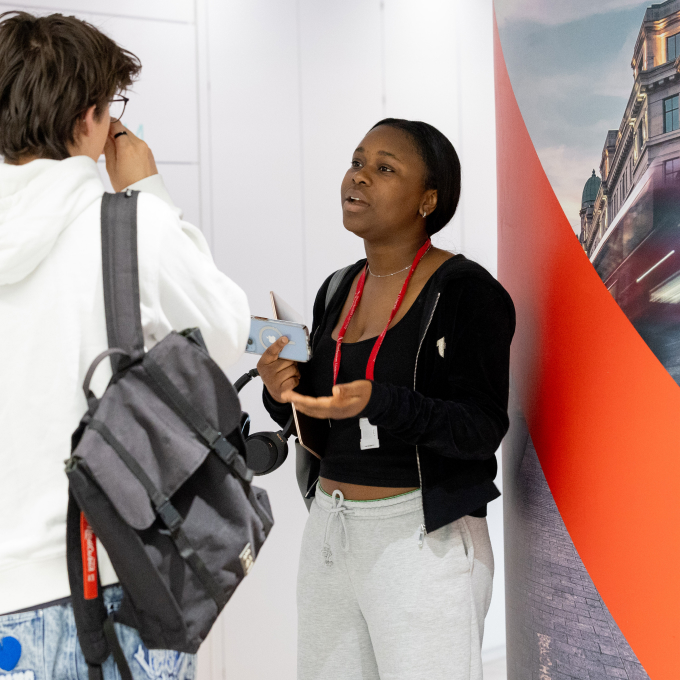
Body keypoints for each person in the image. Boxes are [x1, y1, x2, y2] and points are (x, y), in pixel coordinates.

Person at [0, 11, 250, 680]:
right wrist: (146, 189)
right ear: (90, 116)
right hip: (108, 589)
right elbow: (223, 333)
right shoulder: (128, 226)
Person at [258, 118, 515, 680]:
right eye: (356, 161)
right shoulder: (337, 287)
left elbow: (481, 428)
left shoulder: (469, 292)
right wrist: (281, 392)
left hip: (425, 538)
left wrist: (382, 402)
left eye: (384, 167)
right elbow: (319, 422)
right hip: (330, 526)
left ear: (428, 199)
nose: (359, 176)